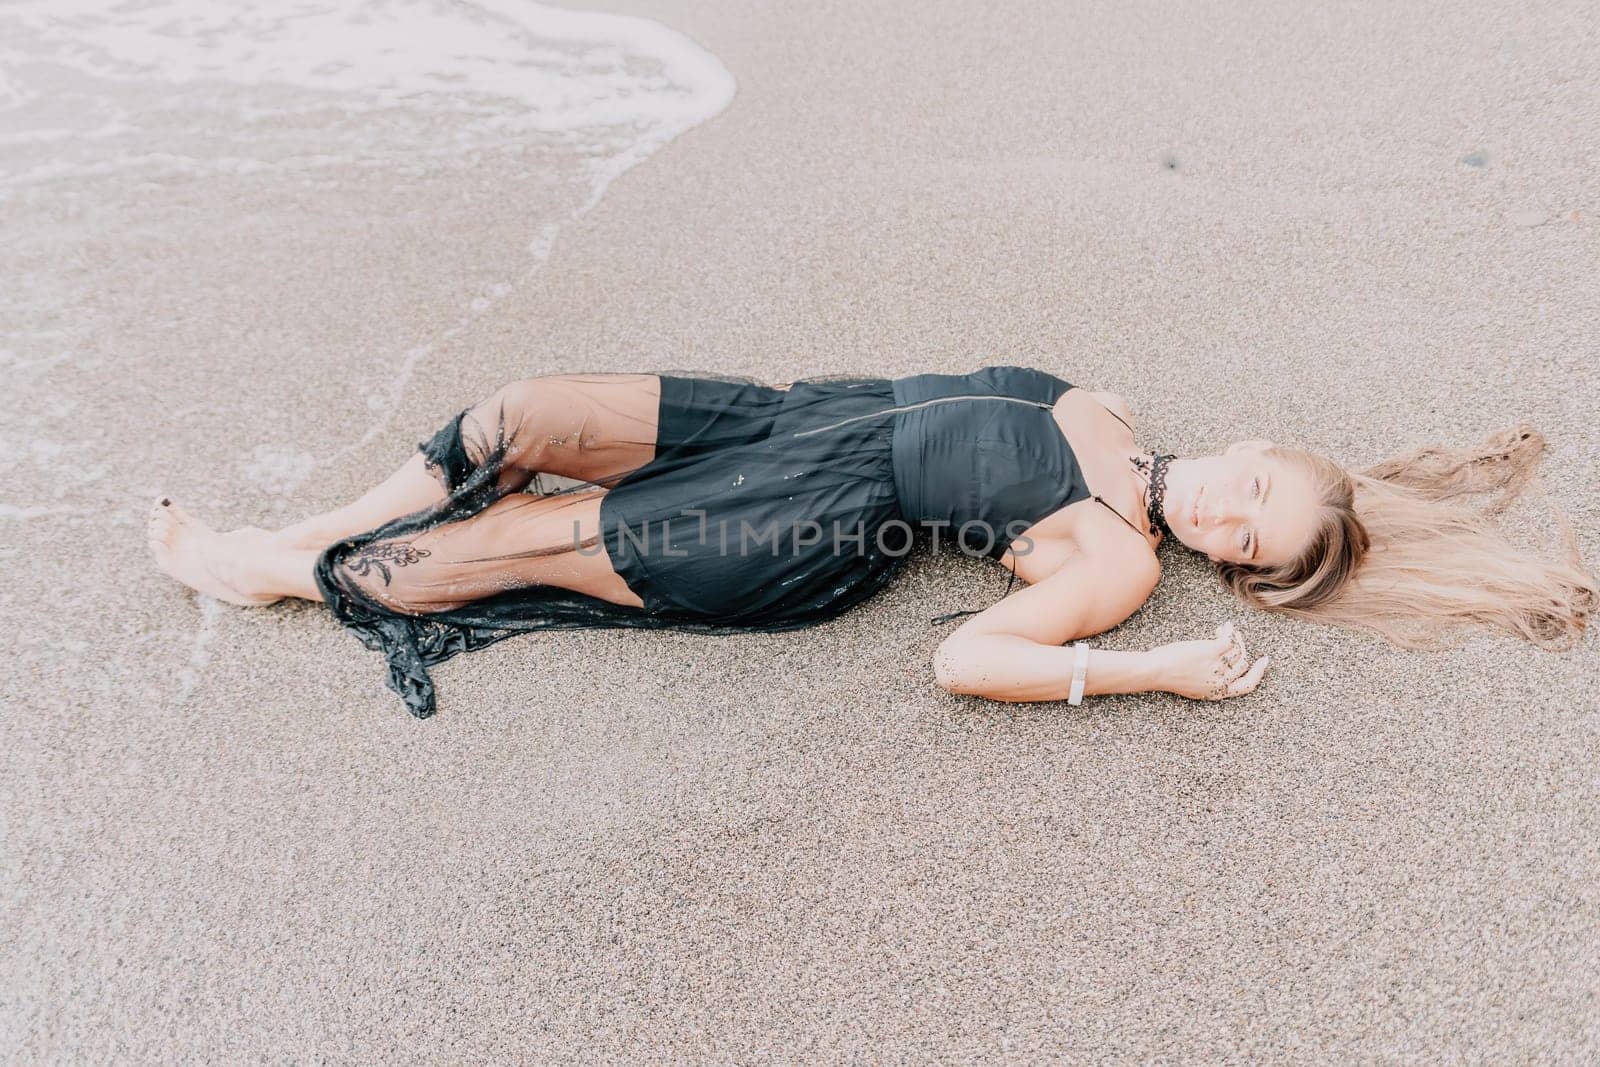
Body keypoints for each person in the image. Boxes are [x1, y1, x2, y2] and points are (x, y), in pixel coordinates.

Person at [146, 366, 1598, 719]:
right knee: (518, 414)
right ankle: (320, 525)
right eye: (1254, 486)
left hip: (795, 525)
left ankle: (266, 567)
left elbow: (966, 662)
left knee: (486, 547)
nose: (1226, 507)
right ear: (1263, 448)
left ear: (1228, 565)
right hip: (787, 421)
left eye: (1246, 535)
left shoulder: (1122, 563)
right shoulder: (1108, 407)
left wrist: (1146, 672)